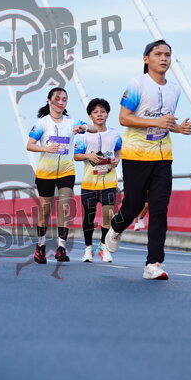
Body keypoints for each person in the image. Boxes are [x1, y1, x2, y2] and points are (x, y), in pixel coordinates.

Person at [105, 40, 191, 280]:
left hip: (163, 155)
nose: (163, 58)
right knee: (133, 205)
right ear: (146, 59)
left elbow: (166, 122)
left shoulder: (174, 89)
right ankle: (117, 226)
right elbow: (124, 118)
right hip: (136, 154)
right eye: (158, 54)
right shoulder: (137, 84)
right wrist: (156, 122)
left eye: (167, 55)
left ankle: (153, 263)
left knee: (159, 208)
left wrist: (179, 129)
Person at [27, 88, 97, 263]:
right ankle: (40, 246)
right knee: (45, 210)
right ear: (49, 101)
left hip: (66, 171)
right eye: (57, 98)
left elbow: (94, 128)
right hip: (45, 173)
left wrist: (84, 127)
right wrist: (46, 148)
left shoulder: (71, 122)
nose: (61, 102)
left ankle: (61, 248)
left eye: (64, 99)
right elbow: (30, 145)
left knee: (65, 208)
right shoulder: (42, 123)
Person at [74, 98, 122, 263]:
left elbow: (118, 150)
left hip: (109, 181)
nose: (99, 114)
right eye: (95, 112)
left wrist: (117, 159)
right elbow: (76, 156)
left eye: (102, 111)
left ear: (107, 114)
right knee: (89, 217)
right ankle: (88, 249)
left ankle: (103, 247)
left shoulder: (115, 134)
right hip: (89, 182)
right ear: (90, 116)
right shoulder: (84, 136)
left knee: (108, 215)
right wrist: (89, 156)